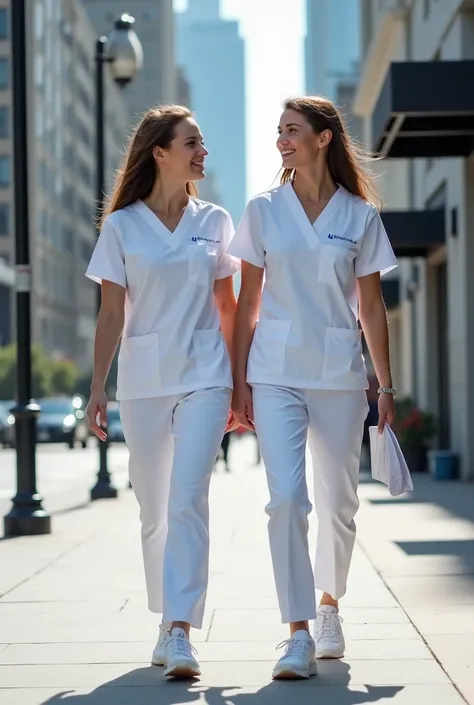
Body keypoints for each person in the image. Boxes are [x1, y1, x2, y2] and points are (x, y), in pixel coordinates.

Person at [228, 96, 397, 680]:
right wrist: (237, 381)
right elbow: (247, 303)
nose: (282, 140)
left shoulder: (358, 215)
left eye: (292, 131)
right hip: (273, 373)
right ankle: (296, 630)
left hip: (338, 376)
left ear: (324, 138)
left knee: (339, 505)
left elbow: (371, 307)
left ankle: (330, 607)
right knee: (286, 500)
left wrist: (387, 385)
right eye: (278, 131)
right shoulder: (263, 210)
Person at [85, 105, 239, 679]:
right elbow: (110, 315)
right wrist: (98, 386)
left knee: (188, 499)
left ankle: (181, 629)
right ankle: (165, 616)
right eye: (192, 143)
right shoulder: (122, 225)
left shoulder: (217, 221)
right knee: (153, 509)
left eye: (202, 142)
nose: (203, 152)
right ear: (160, 152)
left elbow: (227, 308)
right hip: (145, 380)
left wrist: (239, 383)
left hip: (205, 374)